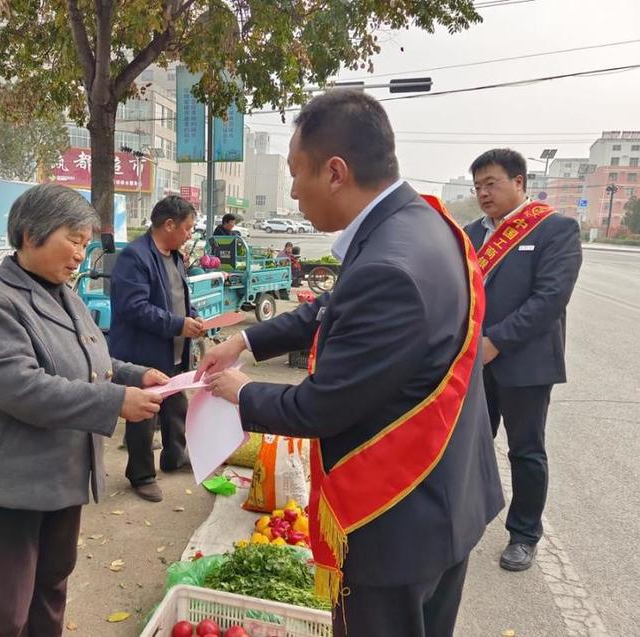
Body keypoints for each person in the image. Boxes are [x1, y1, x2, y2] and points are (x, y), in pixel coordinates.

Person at [197, 90, 504, 637]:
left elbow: (320, 407)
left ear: (335, 172)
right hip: (445, 496)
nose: (292, 191)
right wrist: (245, 341)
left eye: (296, 174)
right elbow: (332, 307)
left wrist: (240, 392)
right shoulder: (421, 226)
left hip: (396, 516)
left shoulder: (389, 265)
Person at [0, 184, 166, 637]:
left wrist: (134, 375)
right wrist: (115, 402)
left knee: (50, 591)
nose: (80, 255)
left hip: (59, 479)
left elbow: (91, 357)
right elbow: (22, 388)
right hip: (4, 486)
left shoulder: (65, 294)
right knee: (3, 614)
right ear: (29, 235)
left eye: (85, 244)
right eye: (74, 240)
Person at [464, 149, 582, 571]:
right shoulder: (471, 234)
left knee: (525, 451)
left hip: (525, 365)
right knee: (470, 446)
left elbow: (549, 299)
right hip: (474, 362)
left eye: (491, 183)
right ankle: (465, 522)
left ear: (519, 182)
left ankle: (524, 535)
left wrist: (495, 342)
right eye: (477, 186)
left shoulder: (556, 229)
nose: (483, 193)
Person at [109, 195, 205, 502]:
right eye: (188, 228)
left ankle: (175, 456)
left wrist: (192, 319)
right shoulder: (134, 258)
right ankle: (141, 475)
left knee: (177, 406)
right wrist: (178, 324)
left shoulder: (175, 256)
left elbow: (178, 298)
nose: (190, 234)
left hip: (173, 350)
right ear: (168, 224)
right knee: (143, 416)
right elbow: (133, 308)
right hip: (143, 354)